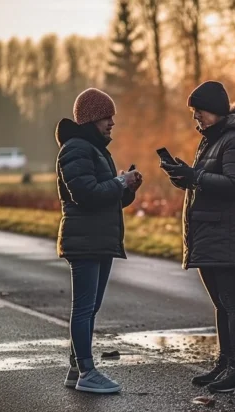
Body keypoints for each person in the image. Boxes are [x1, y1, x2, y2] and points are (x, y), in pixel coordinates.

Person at [160, 81, 235, 394]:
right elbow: (208, 182)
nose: (196, 119)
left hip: (228, 232)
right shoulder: (212, 141)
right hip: (211, 231)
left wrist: (196, 177)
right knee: (221, 303)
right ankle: (224, 363)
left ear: (215, 111)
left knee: (231, 302)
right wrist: (185, 178)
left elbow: (234, 184)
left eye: (199, 112)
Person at [55, 88, 142, 394]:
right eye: (107, 117)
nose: (112, 123)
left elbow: (106, 197)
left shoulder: (94, 149)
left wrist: (126, 187)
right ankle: (87, 372)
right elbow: (87, 195)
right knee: (83, 308)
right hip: (85, 242)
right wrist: (119, 182)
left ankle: (76, 368)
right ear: (92, 118)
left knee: (91, 307)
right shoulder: (75, 149)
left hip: (98, 240)